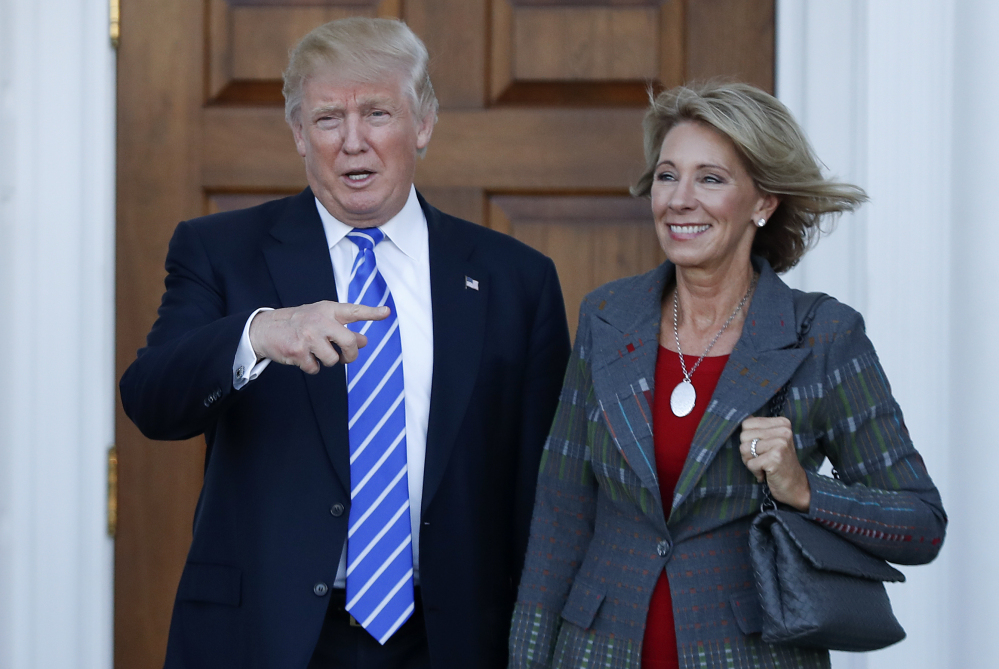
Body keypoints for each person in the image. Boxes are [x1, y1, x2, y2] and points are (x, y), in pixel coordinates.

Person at [120, 17, 570, 669]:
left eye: (377, 112)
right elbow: (151, 398)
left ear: (423, 124)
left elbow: (543, 493)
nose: (352, 142)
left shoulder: (514, 278)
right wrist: (258, 333)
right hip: (267, 635)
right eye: (329, 118)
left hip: (452, 637)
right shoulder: (221, 252)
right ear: (299, 134)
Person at [508, 82, 946, 669]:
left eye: (710, 179)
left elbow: (921, 524)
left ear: (763, 202)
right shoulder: (607, 318)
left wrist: (805, 490)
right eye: (667, 176)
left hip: (749, 654)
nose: (679, 200)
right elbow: (561, 517)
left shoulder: (823, 336)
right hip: (597, 652)